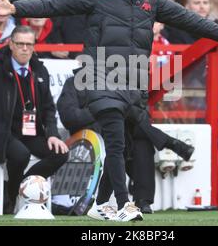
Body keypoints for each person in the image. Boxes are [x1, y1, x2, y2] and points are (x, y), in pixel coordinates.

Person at [0, 0, 218, 221]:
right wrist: (16, 9)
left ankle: (100, 205)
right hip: (98, 75)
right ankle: (125, 204)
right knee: (115, 141)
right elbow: (55, 4)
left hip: (133, 81)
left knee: (123, 148)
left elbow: (185, 18)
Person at [57, 76, 194, 215]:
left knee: (141, 140)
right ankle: (170, 142)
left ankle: (143, 201)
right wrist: (102, 108)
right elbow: (69, 117)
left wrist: (112, 108)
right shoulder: (74, 83)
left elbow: (139, 112)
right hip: (91, 134)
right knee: (130, 131)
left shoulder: (118, 81)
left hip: (119, 129)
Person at [0, 26, 69, 214]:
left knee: (61, 153)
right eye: (20, 44)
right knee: (20, 154)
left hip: (31, 132)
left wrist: (53, 135)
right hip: (2, 134)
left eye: (29, 44)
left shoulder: (40, 71)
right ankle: (13, 194)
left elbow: (48, 108)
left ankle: (12, 190)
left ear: (34, 47)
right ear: (11, 45)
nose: (24, 48)